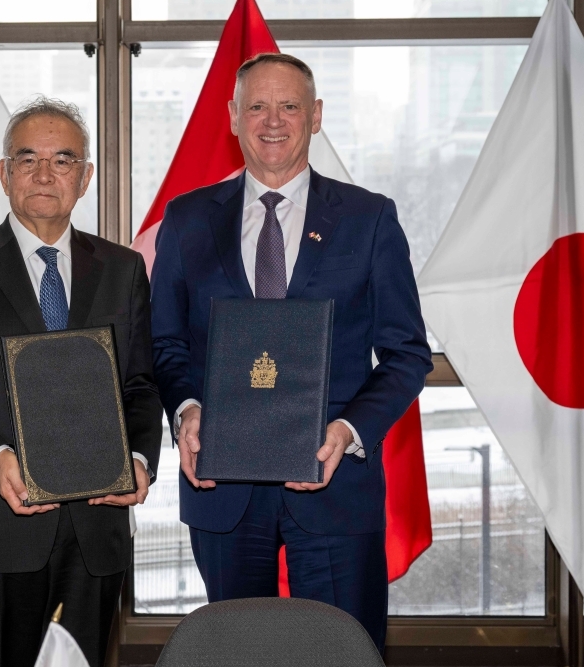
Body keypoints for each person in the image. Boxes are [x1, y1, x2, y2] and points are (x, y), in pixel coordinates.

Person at [149, 53, 432, 651]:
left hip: (336, 490)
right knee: (236, 655)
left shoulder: (369, 218)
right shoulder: (187, 219)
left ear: (317, 116)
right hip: (221, 490)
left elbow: (407, 354)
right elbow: (166, 343)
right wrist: (187, 411)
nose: (271, 121)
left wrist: (349, 428)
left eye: (288, 106)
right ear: (232, 117)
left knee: (339, 655)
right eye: (256, 106)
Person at [0, 96, 163, 667]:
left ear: (86, 177)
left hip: (98, 528)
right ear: (4, 173)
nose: (45, 174)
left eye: (64, 160)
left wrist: (139, 460)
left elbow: (141, 385)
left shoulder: (122, 270)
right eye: (27, 159)